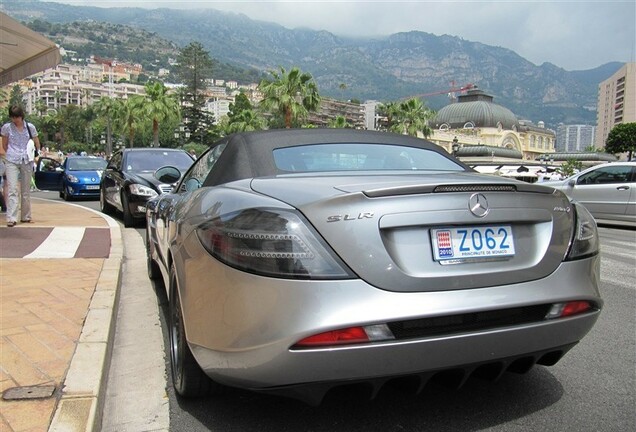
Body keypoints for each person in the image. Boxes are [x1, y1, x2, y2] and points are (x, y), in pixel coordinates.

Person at [1, 105, 41, 227]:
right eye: (13, 117)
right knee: (13, 189)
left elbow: (36, 142)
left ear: (21, 116)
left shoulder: (30, 127)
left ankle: (26, 216)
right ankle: (11, 218)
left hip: (26, 159)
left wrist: (36, 155)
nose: (15, 120)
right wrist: (11, 153)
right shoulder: (7, 128)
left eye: (17, 117)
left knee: (25, 190)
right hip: (12, 159)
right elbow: (5, 144)